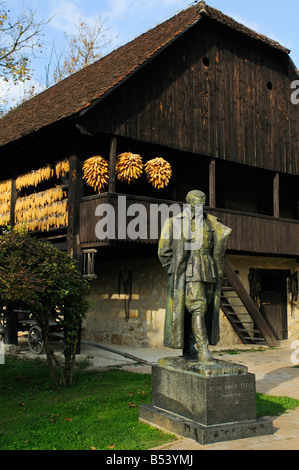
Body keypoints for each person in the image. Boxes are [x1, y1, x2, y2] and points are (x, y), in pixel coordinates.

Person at [158, 190, 231, 363]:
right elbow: (164, 251)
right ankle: (203, 350)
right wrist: (175, 270)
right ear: (188, 203)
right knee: (198, 307)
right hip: (189, 270)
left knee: (204, 310)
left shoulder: (211, 223)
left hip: (208, 269)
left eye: (202, 204)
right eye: (196, 204)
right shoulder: (174, 223)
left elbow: (217, 249)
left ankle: (190, 345)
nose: (199, 207)